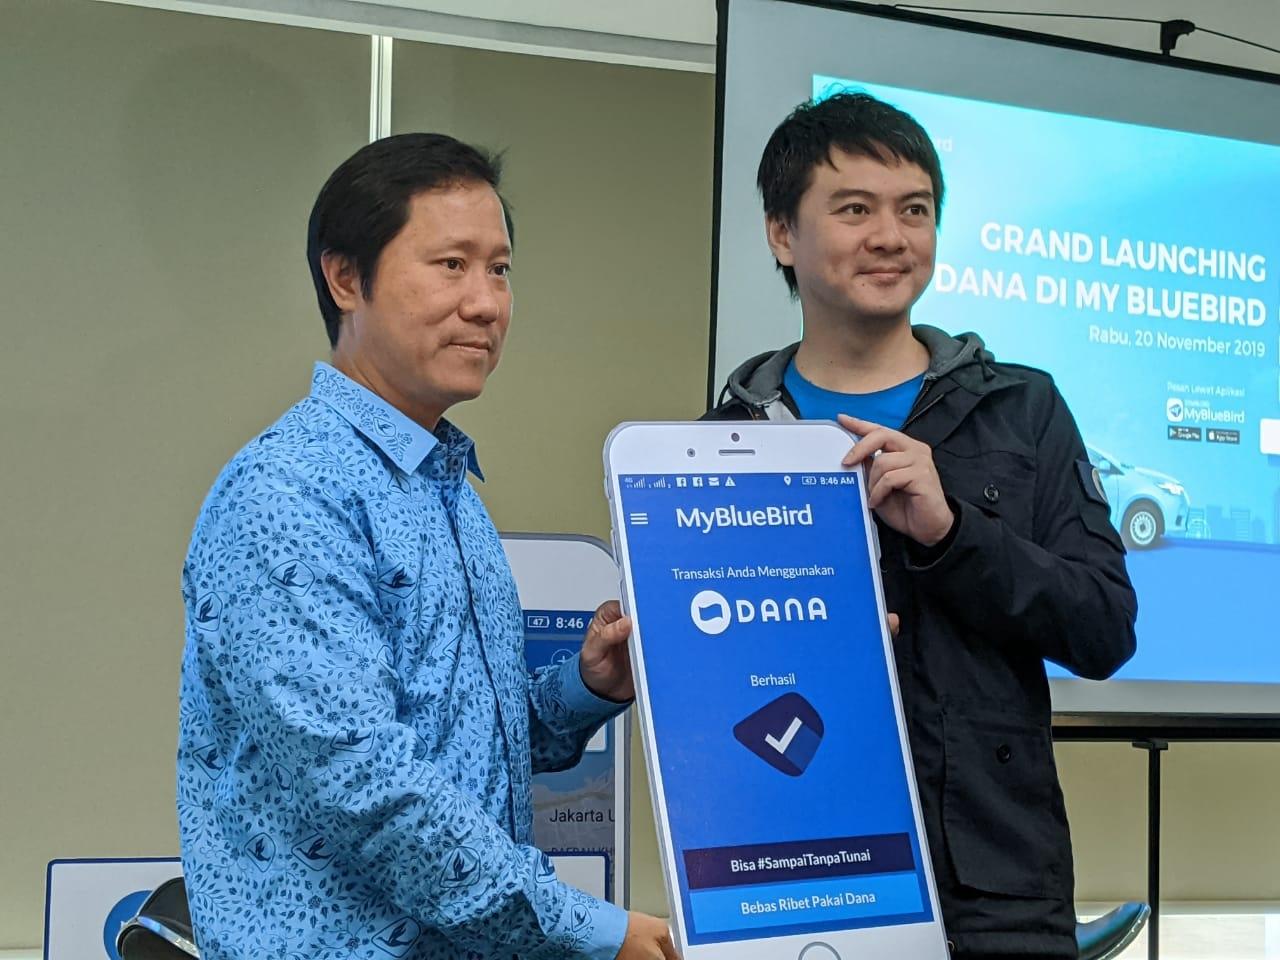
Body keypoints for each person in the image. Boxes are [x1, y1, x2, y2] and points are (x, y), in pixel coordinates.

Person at [177, 133, 677, 960]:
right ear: (346, 279)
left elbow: (463, 745)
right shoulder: (289, 492)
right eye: (451, 265)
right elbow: (366, 785)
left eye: (500, 269)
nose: (485, 303)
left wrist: (587, 686)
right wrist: (590, 931)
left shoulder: (443, 483)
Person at [705, 92, 1137, 958]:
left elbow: (1103, 628)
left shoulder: (1021, 408)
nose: (890, 237)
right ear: (782, 234)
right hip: (798, 864)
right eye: (854, 210)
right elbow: (713, 679)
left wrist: (952, 534)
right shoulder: (730, 437)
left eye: (915, 210)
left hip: (997, 886)